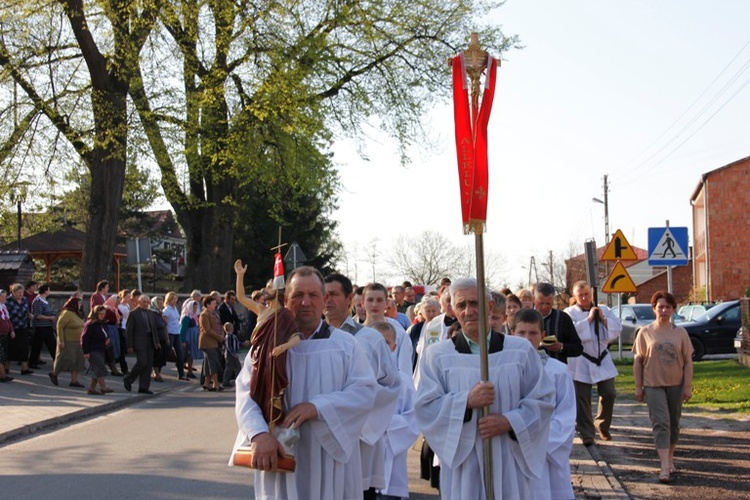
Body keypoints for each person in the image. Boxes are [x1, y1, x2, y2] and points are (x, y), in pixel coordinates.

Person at [230, 265, 378, 499]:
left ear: (324, 299)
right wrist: (258, 434)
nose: (305, 302)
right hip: (279, 452)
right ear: (286, 299)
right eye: (298, 295)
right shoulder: (267, 345)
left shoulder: (346, 346)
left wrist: (318, 407)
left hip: (328, 456)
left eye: (313, 295)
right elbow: (246, 392)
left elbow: (365, 392)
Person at [414, 278, 554, 499]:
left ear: (489, 307)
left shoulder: (520, 351)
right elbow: (425, 407)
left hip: (508, 457)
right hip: (464, 463)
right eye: (461, 305)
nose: (469, 311)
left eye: (474, 303)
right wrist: (465, 401)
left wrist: (509, 422)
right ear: (453, 310)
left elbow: (543, 400)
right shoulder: (438, 356)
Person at [323, 273, 401, 499]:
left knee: (359, 490)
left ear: (349, 299)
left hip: (359, 436)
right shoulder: (309, 339)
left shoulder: (369, 338)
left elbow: (391, 385)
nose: (327, 300)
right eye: (324, 295)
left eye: (334, 295)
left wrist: (353, 414)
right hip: (321, 433)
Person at [510, 308, 576, 500]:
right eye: (521, 333)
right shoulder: (502, 371)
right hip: (513, 449)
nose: (526, 338)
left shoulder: (558, 372)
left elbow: (566, 416)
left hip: (546, 453)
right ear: (511, 333)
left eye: (533, 333)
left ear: (543, 336)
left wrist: (536, 443)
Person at [632, 291, 694, 484]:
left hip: (676, 385)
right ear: (654, 309)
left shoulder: (680, 333)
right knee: (661, 423)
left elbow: (688, 362)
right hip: (653, 385)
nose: (664, 310)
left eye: (668, 307)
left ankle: (669, 458)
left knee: (674, 424)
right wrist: (638, 387)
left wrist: (687, 386)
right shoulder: (645, 332)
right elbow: (638, 361)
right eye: (660, 307)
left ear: (673, 309)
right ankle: (664, 467)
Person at [564, 281, 622, 446]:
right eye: (580, 295)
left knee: (609, 393)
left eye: (586, 294)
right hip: (581, 358)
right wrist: (588, 320)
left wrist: (602, 319)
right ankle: (587, 433)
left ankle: (602, 424)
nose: (583, 297)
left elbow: (616, 329)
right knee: (582, 398)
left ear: (591, 294)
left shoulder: (603, 309)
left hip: (601, 356)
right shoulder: (569, 313)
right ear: (574, 297)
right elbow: (571, 332)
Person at [370, 320, 420, 500]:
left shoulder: (404, 382)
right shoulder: (357, 377)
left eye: (386, 342)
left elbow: (414, 420)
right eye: (376, 342)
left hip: (391, 454)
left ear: (394, 347)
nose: (381, 347)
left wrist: (383, 424)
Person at [363, 283, 413, 374]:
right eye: (370, 300)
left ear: (386, 303)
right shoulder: (356, 334)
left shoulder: (399, 334)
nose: (374, 304)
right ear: (363, 303)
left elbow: (405, 371)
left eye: (379, 300)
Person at [534, 282, 582, 365]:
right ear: (534, 299)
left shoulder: (563, 318)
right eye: (541, 303)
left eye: (548, 303)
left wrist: (561, 347)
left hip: (557, 372)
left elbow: (578, 349)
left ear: (553, 301)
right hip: (531, 371)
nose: (544, 307)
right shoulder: (525, 318)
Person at [124, 294, 163, 395]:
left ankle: (144, 387)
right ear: (139, 302)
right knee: (142, 361)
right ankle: (128, 379)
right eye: (144, 302)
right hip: (139, 341)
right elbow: (129, 331)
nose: (146, 304)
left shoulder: (150, 313)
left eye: (147, 302)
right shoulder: (133, 314)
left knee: (148, 364)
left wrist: (157, 342)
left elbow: (153, 328)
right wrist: (129, 346)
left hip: (150, 341)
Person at [49, 294, 86, 388]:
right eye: (79, 302)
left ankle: (74, 380)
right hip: (68, 341)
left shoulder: (78, 313)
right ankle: (54, 374)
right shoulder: (66, 313)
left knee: (77, 360)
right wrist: (61, 340)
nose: (80, 304)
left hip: (78, 341)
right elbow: (60, 326)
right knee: (63, 359)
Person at [80, 305, 114, 395]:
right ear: (95, 313)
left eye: (104, 314)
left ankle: (91, 389)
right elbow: (84, 338)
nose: (102, 316)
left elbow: (104, 333)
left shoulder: (102, 323)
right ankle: (103, 388)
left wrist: (107, 339)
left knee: (97, 370)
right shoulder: (91, 324)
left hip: (101, 348)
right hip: (93, 349)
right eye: (100, 314)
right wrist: (86, 352)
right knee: (100, 368)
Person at [6, 283, 33, 375]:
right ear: (13, 292)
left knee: (24, 347)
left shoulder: (24, 300)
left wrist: (29, 315)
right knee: (10, 348)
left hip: (23, 327)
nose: (21, 294)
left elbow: (26, 311)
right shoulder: (8, 301)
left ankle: (24, 368)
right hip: (12, 328)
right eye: (18, 292)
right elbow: (6, 316)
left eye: (22, 292)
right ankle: (6, 367)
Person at [199, 295, 224, 391]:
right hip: (207, 342)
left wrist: (222, 333)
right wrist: (219, 337)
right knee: (213, 362)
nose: (215, 305)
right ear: (208, 305)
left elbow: (219, 325)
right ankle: (216, 383)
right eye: (213, 303)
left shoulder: (214, 314)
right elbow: (207, 330)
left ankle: (206, 382)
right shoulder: (204, 314)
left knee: (208, 363)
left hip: (214, 341)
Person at [29, 284, 57, 368]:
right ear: (45, 291)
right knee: (37, 345)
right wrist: (50, 317)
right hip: (40, 327)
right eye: (48, 290)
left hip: (47, 326)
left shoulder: (45, 300)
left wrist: (53, 314)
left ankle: (58, 362)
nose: (49, 291)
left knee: (52, 344)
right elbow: (37, 315)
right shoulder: (38, 301)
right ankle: (32, 362)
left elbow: (49, 310)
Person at [162, 291, 186, 380]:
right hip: (170, 333)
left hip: (177, 332)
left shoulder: (175, 309)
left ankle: (181, 373)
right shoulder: (166, 310)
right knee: (167, 352)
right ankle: (158, 367)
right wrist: (167, 337)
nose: (175, 301)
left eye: (176, 299)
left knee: (180, 353)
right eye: (173, 299)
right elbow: (165, 324)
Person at [103, 294, 123, 376]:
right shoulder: (107, 309)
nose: (118, 303)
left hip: (114, 328)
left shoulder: (114, 309)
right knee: (111, 349)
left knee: (115, 348)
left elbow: (121, 315)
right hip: (109, 329)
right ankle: (113, 368)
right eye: (117, 302)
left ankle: (114, 368)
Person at [180, 299, 200, 379]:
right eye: (193, 308)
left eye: (196, 308)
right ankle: (182, 370)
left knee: (191, 355)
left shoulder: (194, 317)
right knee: (187, 354)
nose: (195, 309)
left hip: (193, 337)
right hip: (189, 337)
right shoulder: (186, 317)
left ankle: (190, 371)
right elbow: (183, 329)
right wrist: (183, 340)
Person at [0, 289, 16, 382]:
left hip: (4, 335)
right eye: (2, 296)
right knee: (0, 356)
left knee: (3, 355)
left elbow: (8, 321)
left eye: (5, 296)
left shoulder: (4, 307)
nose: (4, 298)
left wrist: (12, 330)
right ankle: (3, 375)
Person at [221, 322, 242, 389]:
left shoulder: (233, 336)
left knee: (238, 366)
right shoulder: (228, 337)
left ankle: (238, 379)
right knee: (229, 367)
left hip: (234, 354)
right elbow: (229, 346)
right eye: (231, 327)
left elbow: (237, 343)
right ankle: (225, 381)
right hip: (230, 355)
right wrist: (233, 353)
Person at [116, 289, 132, 375]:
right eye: (127, 297)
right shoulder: (119, 306)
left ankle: (119, 362)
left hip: (126, 327)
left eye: (130, 297)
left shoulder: (128, 306)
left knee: (125, 348)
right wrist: (122, 316)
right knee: (122, 348)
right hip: (121, 328)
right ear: (123, 297)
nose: (129, 298)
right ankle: (123, 367)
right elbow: (118, 317)